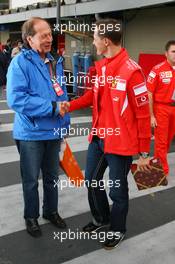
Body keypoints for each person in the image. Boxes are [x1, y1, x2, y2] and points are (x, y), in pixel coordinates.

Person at [61, 19, 151, 249]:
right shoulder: (101, 67)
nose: (93, 41)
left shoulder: (133, 72)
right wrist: (67, 105)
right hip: (99, 138)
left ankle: (118, 229)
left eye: (94, 38)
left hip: (121, 144)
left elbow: (142, 115)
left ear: (106, 41)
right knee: (91, 181)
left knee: (117, 191)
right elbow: (91, 96)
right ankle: (101, 218)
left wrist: (143, 151)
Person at [6, 17, 70, 237]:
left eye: (50, 34)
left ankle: (51, 211)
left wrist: (65, 125)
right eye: (43, 36)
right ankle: (31, 217)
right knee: (31, 180)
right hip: (30, 134)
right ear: (29, 39)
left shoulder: (55, 61)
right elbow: (16, 99)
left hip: (53, 131)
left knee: (52, 177)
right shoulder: (20, 63)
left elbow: (62, 94)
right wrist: (52, 107)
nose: (49, 39)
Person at [147, 40, 175, 177]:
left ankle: (157, 161)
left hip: (174, 110)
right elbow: (149, 93)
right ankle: (162, 170)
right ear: (166, 53)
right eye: (173, 51)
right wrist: (151, 115)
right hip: (161, 109)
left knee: (168, 140)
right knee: (161, 141)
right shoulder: (157, 70)